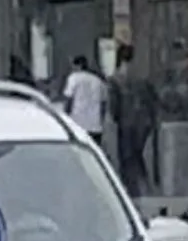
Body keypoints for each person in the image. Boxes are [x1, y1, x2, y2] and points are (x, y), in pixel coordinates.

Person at [108, 44, 158, 193]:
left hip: (126, 121)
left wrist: (115, 118)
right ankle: (145, 184)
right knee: (138, 154)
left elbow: (114, 105)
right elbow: (152, 98)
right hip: (144, 122)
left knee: (126, 156)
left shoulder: (115, 79)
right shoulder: (142, 77)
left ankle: (130, 188)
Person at [61, 55, 109, 146]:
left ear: (78, 66)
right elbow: (103, 105)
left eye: (73, 66)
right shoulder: (98, 81)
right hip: (95, 126)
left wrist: (65, 117)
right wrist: (101, 122)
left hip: (77, 124)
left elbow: (68, 100)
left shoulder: (73, 78)